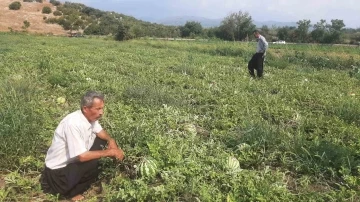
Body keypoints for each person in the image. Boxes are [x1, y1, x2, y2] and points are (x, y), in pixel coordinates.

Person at [40, 91, 125, 201]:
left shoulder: (89, 117)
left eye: (102, 108)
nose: (101, 112)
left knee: (102, 142)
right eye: (98, 109)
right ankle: (70, 192)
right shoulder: (73, 124)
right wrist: (111, 152)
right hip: (58, 175)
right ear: (86, 108)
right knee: (96, 163)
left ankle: (75, 182)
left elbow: (99, 131)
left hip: (72, 162)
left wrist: (111, 140)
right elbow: (82, 157)